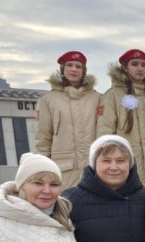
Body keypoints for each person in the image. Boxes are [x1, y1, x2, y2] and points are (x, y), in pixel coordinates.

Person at [97, 49, 145, 189]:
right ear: (124, 67)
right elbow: (105, 135)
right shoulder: (113, 96)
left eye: (143, 65)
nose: (140, 68)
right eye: (134, 64)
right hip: (128, 169)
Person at [35, 50, 101, 188]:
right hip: (63, 168)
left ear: (84, 71)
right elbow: (43, 138)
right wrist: (42, 167)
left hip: (94, 166)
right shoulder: (48, 100)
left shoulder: (97, 98)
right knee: (66, 206)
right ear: (63, 69)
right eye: (69, 65)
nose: (74, 69)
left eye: (78, 67)